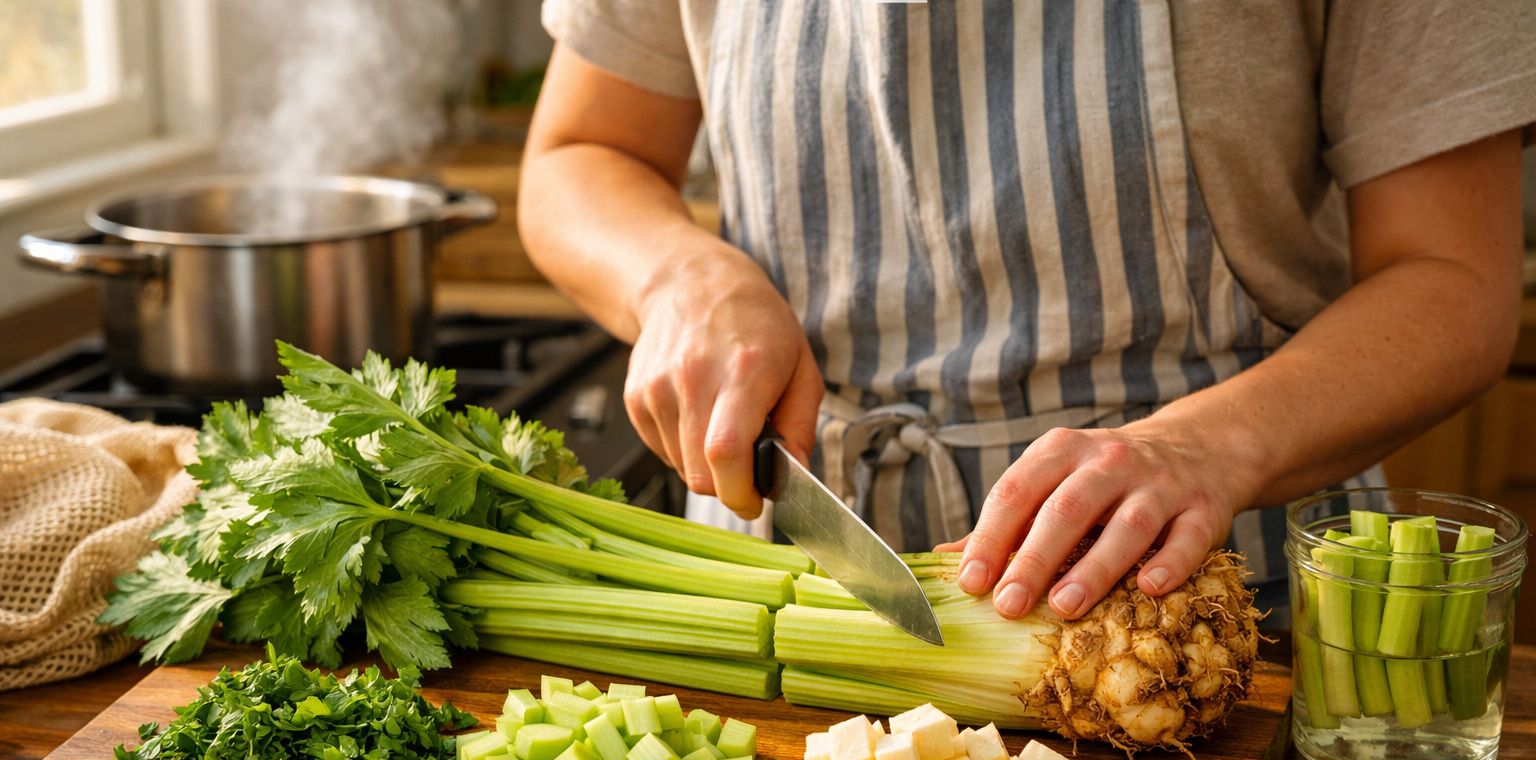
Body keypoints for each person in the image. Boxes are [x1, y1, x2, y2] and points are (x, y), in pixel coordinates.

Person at [518, 1, 1534, 625]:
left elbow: (1451, 275)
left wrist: (1206, 448)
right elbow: (581, 153)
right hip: (792, 586)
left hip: (1208, 600)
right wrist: (681, 278)